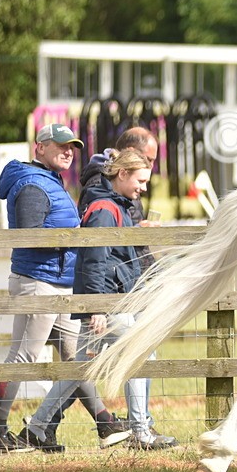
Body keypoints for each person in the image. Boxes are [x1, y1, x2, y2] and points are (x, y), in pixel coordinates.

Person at [22, 146, 176, 451]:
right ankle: (141, 431)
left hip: (109, 302)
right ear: (122, 174)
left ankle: (37, 428)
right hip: (107, 304)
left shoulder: (113, 206)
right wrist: (97, 308)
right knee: (140, 351)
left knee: (79, 369)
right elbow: (94, 261)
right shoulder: (105, 209)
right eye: (141, 181)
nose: (143, 188)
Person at [0, 124, 130, 453]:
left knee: (74, 358)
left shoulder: (51, 180)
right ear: (39, 148)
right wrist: (74, 235)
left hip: (59, 284)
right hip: (38, 283)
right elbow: (29, 235)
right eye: (60, 145)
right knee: (23, 356)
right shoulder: (33, 184)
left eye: (72, 147)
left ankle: (104, 422)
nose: (68, 151)